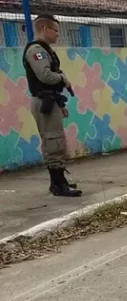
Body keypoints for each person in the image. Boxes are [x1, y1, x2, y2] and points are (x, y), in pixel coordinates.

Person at [23, 14, 82, 197]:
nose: (58, 34)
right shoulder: (36, 50)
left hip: (50, 100)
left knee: (57, 141)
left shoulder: (46, 50)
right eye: (55, 30)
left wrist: (59, 102)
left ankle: (59, 181)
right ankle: (58, 185)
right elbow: (45, 76)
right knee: (53, 141)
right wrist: (64, 80)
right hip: (44, 102)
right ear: (44, 29)